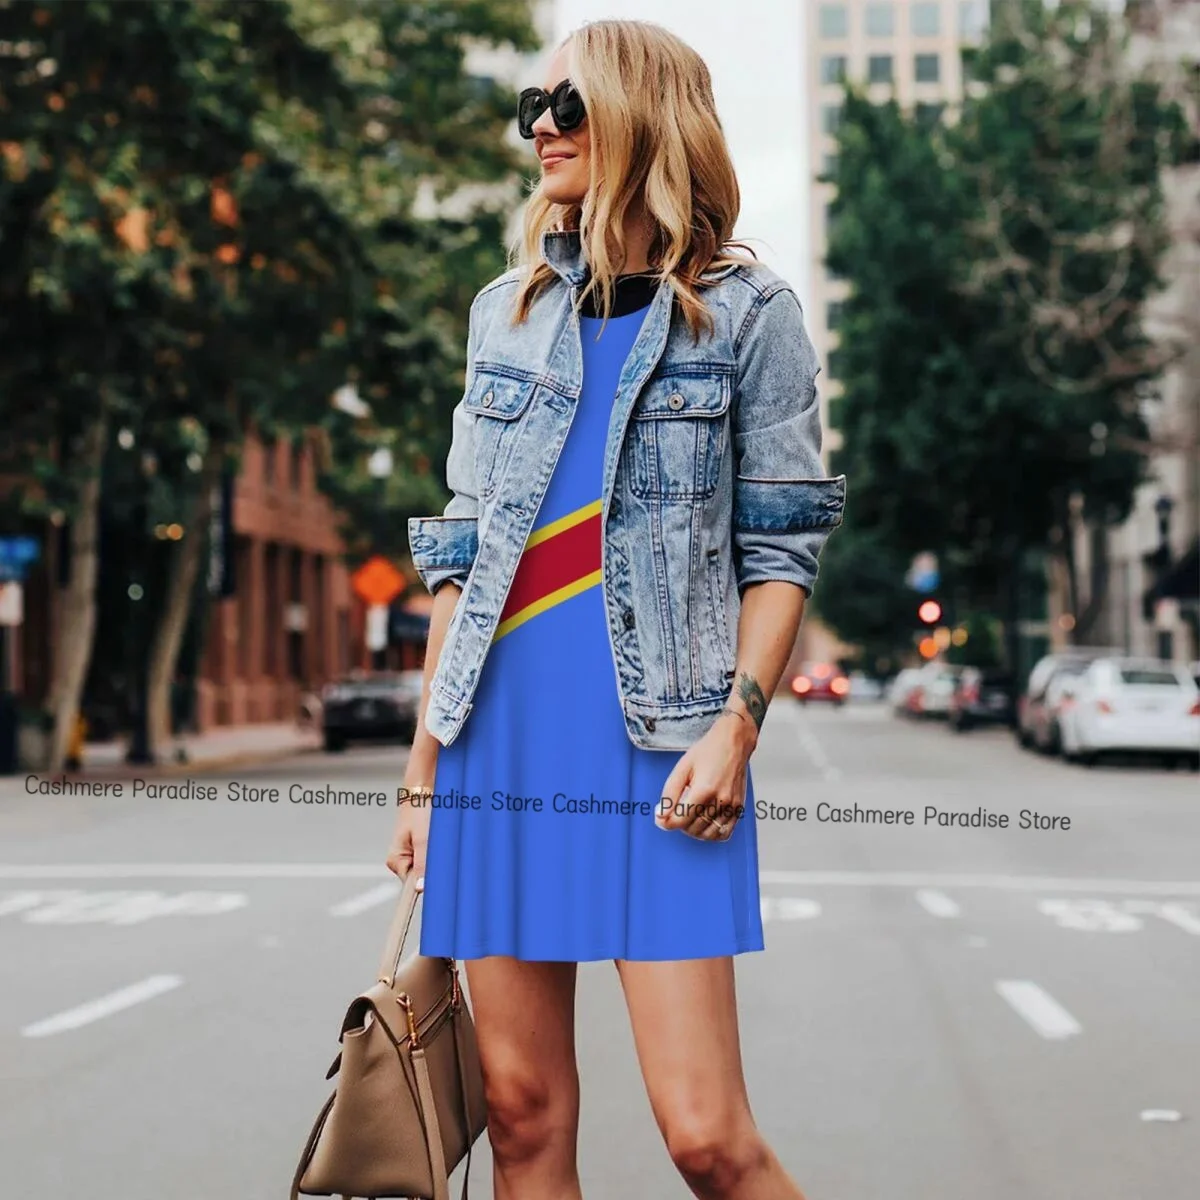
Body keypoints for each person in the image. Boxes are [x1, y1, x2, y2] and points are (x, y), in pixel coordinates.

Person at [387, 19, 845, 1200]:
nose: (540, 126)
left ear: (645, 117)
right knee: (527, 1121)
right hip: (501, 747)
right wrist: (423, 775)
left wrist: (737, 727)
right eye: (532, 106)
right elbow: (462, 553)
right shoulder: (507, 312)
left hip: (664, 751)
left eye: (568, 107)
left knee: (707, 1137)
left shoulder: (749, 315)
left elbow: (780, 550)